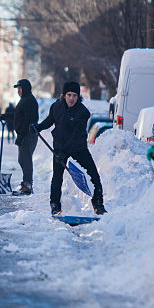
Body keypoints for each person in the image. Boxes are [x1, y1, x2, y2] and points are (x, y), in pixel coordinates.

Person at [36, 81, 105, 215]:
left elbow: (76, 135)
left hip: (78, 147)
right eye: (69, 95)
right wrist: (38, 127)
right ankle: (55, 205)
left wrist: (64, 151)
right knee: (57, 177)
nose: (71, 98)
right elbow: (50, 120)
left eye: (74, 95)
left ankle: (98, 203)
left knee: (93, 174)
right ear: (64, 95)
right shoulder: (56, 107)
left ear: (78, 97)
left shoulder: (83, 112)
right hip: (60, 146)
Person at [11, 78, 38, 194]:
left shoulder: (28, 100)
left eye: (19, 88)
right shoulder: (26, 100)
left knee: (25, 160)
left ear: (24, 88)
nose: (18, 90)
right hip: (25, 134)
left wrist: (21, 136)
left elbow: (27, 120)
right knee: (22, 160)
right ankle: (26, 183)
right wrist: (6, 116)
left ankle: (27, 185)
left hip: (28, 135)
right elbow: (20, 115)